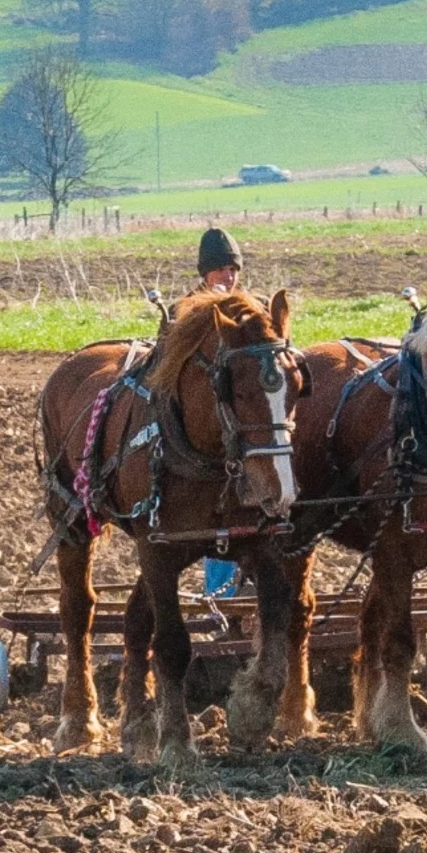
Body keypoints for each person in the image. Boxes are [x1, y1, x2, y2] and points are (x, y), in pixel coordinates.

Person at [190, 227, 244, 598]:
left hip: (246, 428)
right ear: (205, 274)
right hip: (203, 432)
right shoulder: (188, 313)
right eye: (221, 269)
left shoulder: (247, 311)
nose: (228, 276)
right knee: (219, 524)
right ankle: (221, 597)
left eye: (233, 269)